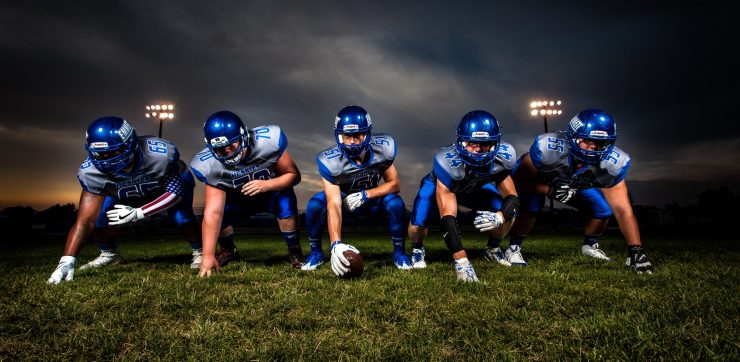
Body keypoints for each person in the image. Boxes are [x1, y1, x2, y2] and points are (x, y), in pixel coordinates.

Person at [47, 117, 202, 284]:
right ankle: (109, 254)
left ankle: (200, 251)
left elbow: (175, 193)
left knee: (181, 217)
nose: (106, 159)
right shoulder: (90, 173)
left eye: (113, 152)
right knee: (100, 219)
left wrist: (138, 213)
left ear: (131, 144)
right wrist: (67, 260)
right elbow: (85, 222)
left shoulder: (159, 154)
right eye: (100, 154)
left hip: (165, 185)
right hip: (123, 191)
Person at [507, 109, 654, 273]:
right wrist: (549, 190)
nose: (593, 148)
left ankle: (590, 246)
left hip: (573, 184)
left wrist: (636, 250)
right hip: (539, 182)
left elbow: (623, 210)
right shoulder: (548, 150)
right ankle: (513, 248)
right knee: (532, 206)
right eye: (587, 140)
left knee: (602, 209)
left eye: (600, 143)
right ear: (572, 137)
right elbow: (518, 182)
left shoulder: (612, 164)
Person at [407, 110, 519, 282]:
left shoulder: (505, 157)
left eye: (485, 144)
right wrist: (462, 261)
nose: (478, 150)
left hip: (474, 187)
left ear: (495, 143)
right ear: (461, 141)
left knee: (508, 212)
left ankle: (493, 249)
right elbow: (448, 217)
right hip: (444, 184)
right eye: (471, 143)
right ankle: (417, 247)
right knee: (418, 223)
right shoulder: (446, 162)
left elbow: (512, 197)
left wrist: (500, 215)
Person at [190, 111, 303, 277]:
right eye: (220, 149)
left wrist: (268, 184)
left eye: (231, 145)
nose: (227, 152)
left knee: (286, 199)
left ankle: (294, 249)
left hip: (270, 194)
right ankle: (228, 250)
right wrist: (207, 255)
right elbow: (213, 212)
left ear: (243, 137)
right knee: (216, 216)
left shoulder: (268, 141)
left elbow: (294, 175)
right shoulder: (208, 164)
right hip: (238, 200)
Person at [302, 105, 412, 276]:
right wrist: (336, 244)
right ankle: (316, 253)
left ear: (366, 134)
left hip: (372, 199)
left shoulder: (382, 149)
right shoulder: (330, 161)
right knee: (315, 204)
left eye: (356, 136)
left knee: (396, 203)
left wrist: (366, 195)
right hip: (344, 201)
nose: (352, 141)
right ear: (339, 136)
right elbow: (333, 203)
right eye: (346, 136)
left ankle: (399, 253)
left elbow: (395, 185)